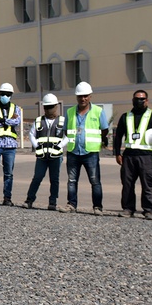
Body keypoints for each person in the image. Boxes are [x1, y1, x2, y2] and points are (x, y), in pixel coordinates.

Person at [113, 89, 152, 219]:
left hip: (146, 156)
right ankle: (128, 209)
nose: (139, 101)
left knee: (147, 184)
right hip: (128, 156)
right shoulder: (125, 116)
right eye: (137, 98)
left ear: (147, 100)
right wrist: (117, 153)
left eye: (142, 99)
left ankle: (148, 210)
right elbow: (118, 136)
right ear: (132, 100)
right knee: (127, 184)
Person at [62, 81, 109, 213]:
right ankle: (71, 204)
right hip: (73, 151)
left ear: (90, 96)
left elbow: (104, 129)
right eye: (80, 96)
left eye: (85, 96)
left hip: (91, 152)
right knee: (71, 180)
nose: (83, 99)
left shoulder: (98, 111)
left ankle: (97, 206)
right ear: (76, 97)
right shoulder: (70, 112)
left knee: (95, 181)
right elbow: (66, 130)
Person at [24, 93, 67, 210]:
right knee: (37, 177)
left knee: (54, 179)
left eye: (51, 106)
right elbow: (32, 134)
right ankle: (29, 199)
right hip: (42, 156)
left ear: (56, 106)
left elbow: (68, 136)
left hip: (56, 156)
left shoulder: (62, 121)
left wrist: (60, 146)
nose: (49, 109)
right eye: (46, 107)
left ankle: (52, 202)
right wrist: (36, 146)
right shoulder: (38, 121)